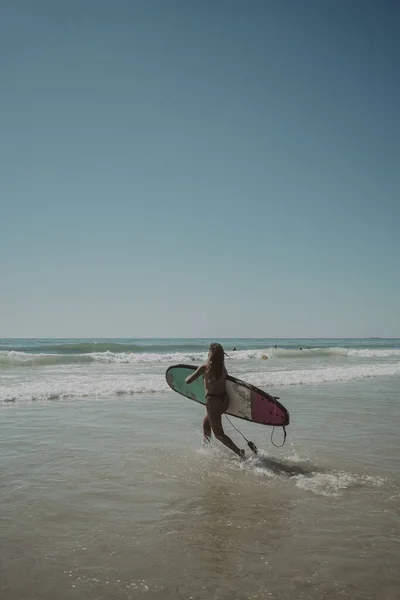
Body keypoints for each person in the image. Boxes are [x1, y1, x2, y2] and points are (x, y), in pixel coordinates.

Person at [185, 342, 245, 459]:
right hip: (224, 401)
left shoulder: (204, 368)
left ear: (210, 354)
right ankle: (206, 448)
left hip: (212, 402)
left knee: (219, 434)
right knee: (206, 422)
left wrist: (186, 375)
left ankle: (239, 451)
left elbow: (188, 381)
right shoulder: (223, 369)